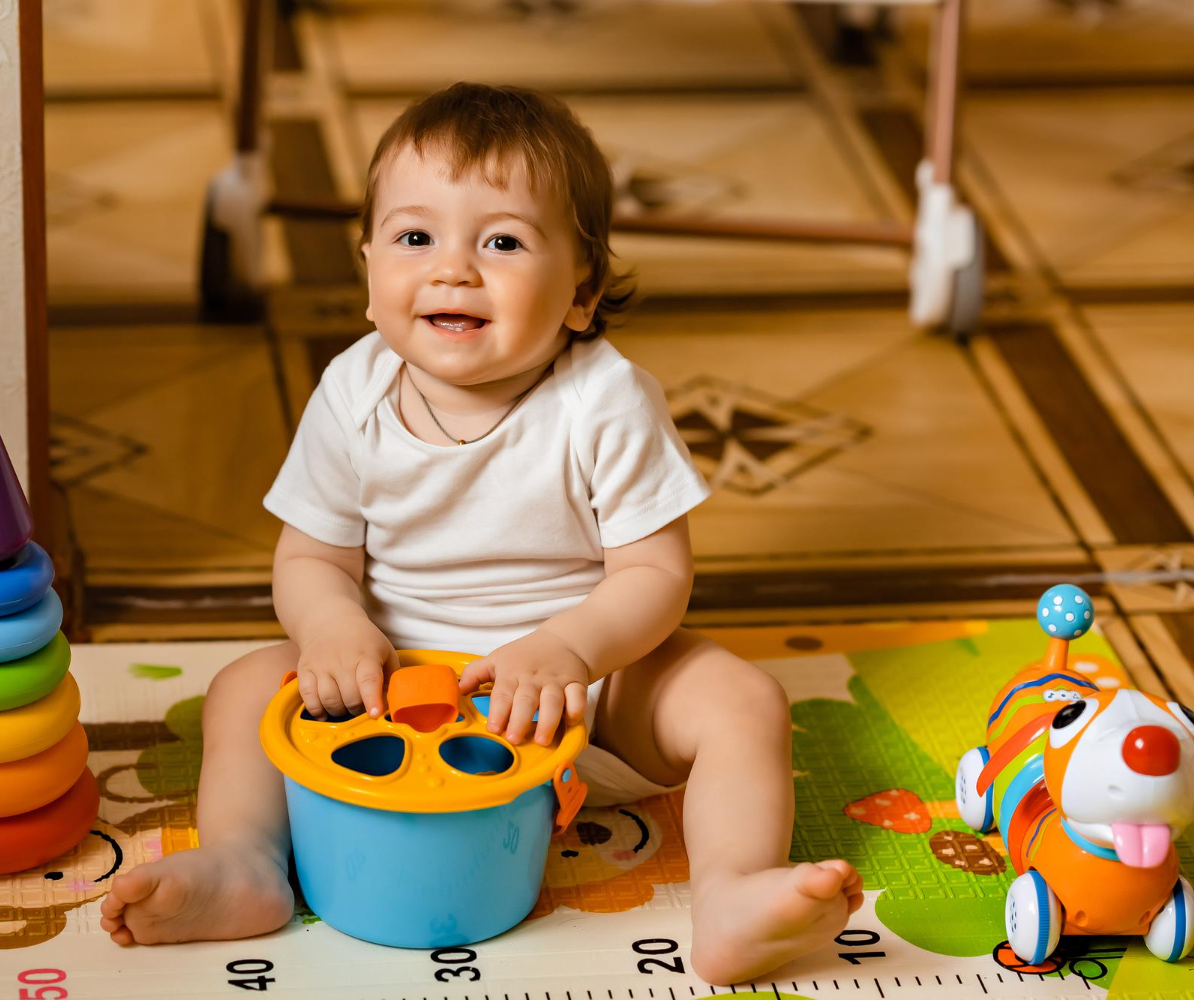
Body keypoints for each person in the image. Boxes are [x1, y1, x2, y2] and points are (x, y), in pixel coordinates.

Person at [100, 81, 862, 984]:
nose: (453, 268)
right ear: (370, 271)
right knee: (244, 688)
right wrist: (334, 628)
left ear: (581, 294)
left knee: (741, 700)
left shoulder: (606, 401)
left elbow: (655, 573)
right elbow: (312, 556)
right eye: (415, 237)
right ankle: (246, 865)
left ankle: (735, 892)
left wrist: (570, 649)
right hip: (385, 684)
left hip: (585, 696)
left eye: (501, 241)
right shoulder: (354, 391)